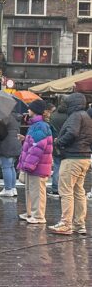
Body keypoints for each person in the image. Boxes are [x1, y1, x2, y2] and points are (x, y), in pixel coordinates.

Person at [49, 92, 92, 235]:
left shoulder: (75, 116)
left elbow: (72, 133)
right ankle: (80, 224)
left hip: (72, 158)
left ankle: (66, 224)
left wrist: (59, 143)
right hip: (84, 157)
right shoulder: (86, 116)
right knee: (79, 191)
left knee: (66, 191)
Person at [16, 100, 53, 225]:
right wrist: (25, 139)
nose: (28, 110)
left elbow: (38, 148)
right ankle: (31, 212)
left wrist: (29, 164)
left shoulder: (40, 126)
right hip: (34, 165)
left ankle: (38, 216)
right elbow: (34, 143)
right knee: (31, 190)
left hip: (37, 166)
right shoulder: (36, 125)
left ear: (35, 110)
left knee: (37, 191)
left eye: (30, 108)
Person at [0, 110, 23, 198]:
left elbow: (0, 131)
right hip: (15, 143)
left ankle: (8, 189)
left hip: (6, 144)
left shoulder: (6, 118)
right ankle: (12, 188)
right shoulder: (15, 118)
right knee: (11, 166)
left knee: (6, 166)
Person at [49, 98, 68, 198]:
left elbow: (50, 130)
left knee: (56, 165)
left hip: (55, 143)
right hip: (67, 144)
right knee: (65, 167)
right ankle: (63, 188)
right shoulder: (69, 116)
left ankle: (55, 188)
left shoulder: (53, 116)